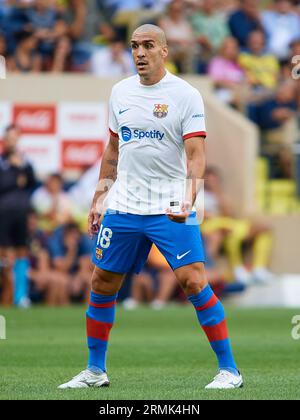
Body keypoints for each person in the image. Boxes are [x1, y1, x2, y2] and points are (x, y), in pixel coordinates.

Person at [59, 24, 243, 390]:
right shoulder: (120, 92)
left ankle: (230, 372)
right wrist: (99, 198)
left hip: (170, 203)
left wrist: (189, 198)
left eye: (147, 46)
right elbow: (113, 151)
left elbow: (196, 157)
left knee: (193, 281)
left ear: (164, 51)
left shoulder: (185, 95)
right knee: (102, 281)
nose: (139, 53)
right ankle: (95, 371)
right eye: (134, 46)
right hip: (125, 203)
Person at [0, 124, 36, 307]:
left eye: (15, 138)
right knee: (4, 254)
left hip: (21, 213)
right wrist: (15, 176)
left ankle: (20, 296)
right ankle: (6, 294)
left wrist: (20, 167)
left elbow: (31, 183)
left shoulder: (24, 161)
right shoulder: (2, 161)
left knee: (22, 251)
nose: (12, 142)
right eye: (9, 138)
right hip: (3, 214)